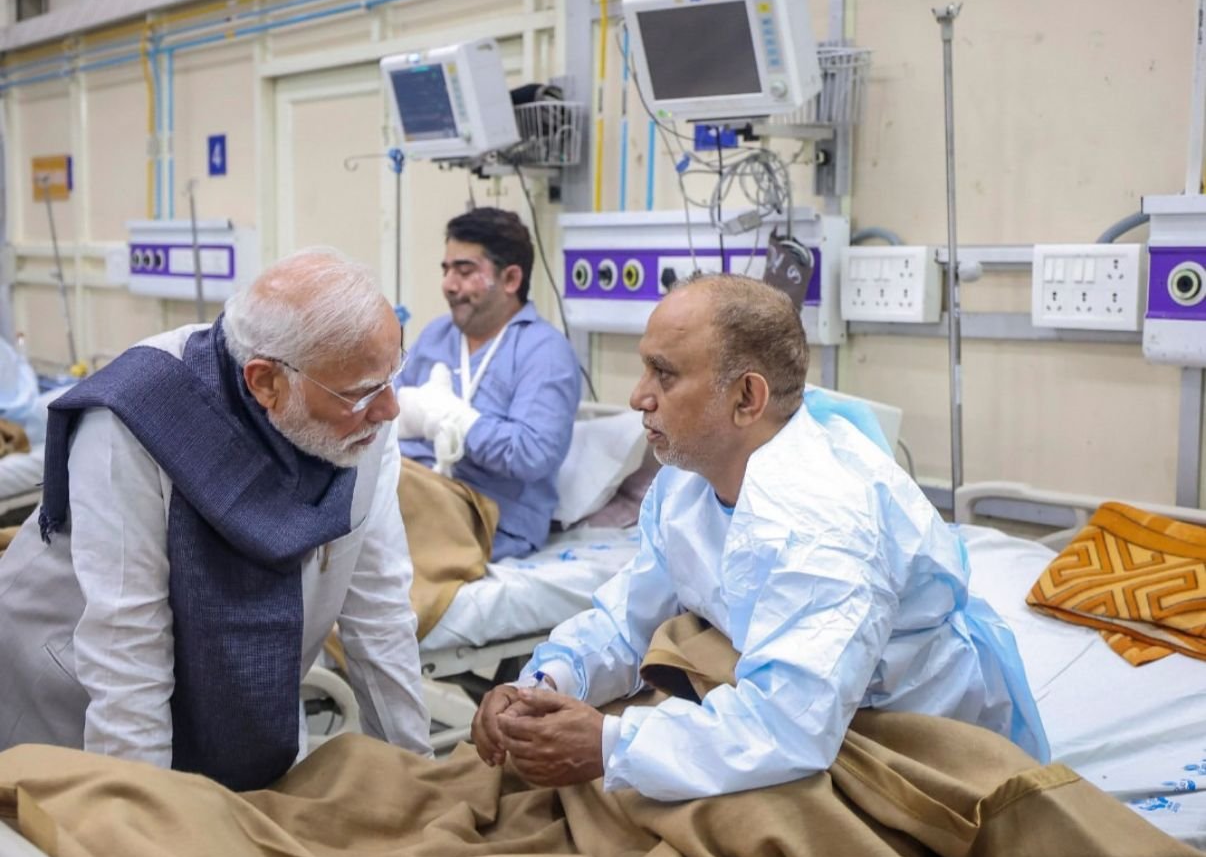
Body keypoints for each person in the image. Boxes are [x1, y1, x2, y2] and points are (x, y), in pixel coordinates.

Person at [472, 273, 1048, 802]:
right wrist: (543, 684)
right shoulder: (684, 483)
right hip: (784, 715)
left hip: (894, 739)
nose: (638, 396)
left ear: (747, 398)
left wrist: (607, 745)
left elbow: (790, 726)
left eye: (663, 374)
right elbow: (629, 621)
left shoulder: (823, 524)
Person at [0, 248, 432, 791]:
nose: (389, 409)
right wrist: (141, 820)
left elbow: (380, 615)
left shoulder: (363, 419)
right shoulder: (137, 416)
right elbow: (126, 655)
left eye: (392, 377)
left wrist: (418, 778)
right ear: (266, 382)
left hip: (249, 707)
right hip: (72, 704)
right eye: (363, 392)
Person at [395, 207, 581, 560]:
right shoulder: (437, 336)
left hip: (492, 515)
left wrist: (454, 420)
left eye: (465, 271)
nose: (449, 284)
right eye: (446, 270)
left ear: (510, 279)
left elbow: (531, 454)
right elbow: (385, 413)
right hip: (415, 487)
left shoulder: (544, 352)